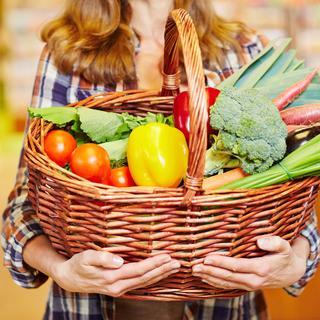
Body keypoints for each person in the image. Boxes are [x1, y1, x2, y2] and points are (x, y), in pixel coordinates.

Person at [1, 0, 319, 319]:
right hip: (89, 308)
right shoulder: (68, 53)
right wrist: (62, 270)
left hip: (224, 309)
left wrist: (294, 263)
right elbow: (23, 206)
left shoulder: (243, 51)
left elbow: (296, 203)